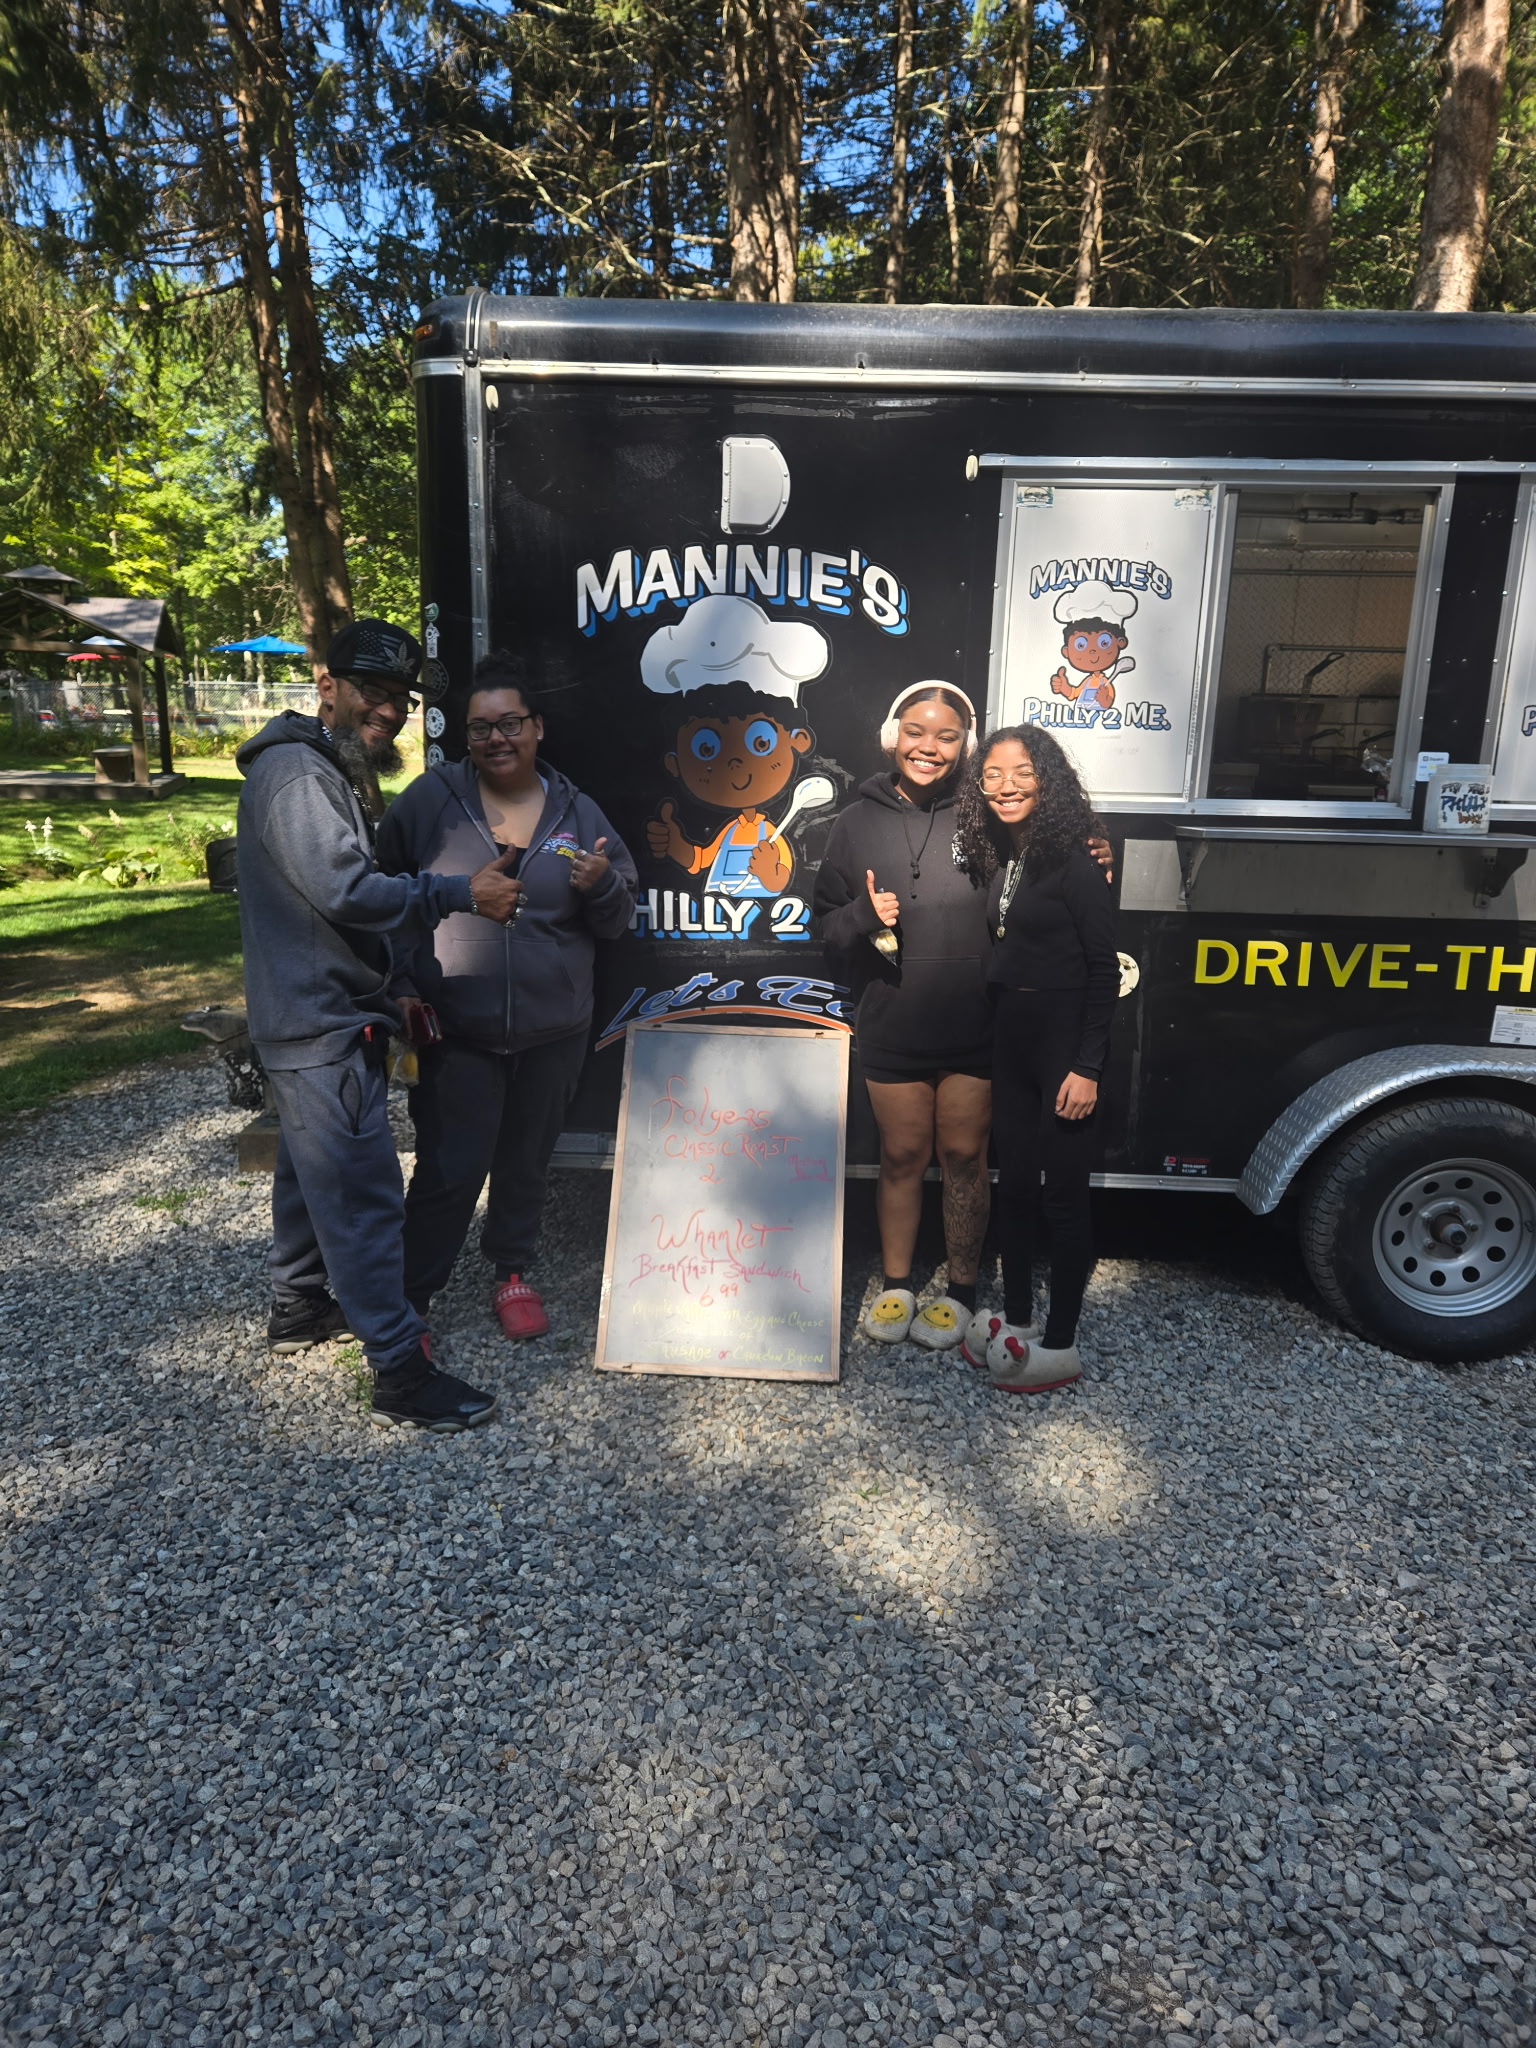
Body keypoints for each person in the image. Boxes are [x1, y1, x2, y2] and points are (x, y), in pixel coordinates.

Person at [235, 616, 523, 1432]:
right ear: (327, 686)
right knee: (361, 1194)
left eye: (400, 697)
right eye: (374, 691)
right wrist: (460, 893)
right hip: (320, 1023)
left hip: (322, 1009)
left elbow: (328, 912)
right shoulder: (298, 775)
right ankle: (400, 1369)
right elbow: (346, 892)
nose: (389, 710)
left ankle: (298, 1309)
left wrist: (387, 985)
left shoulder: (325, 767)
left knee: (305, 1167)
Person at [376, 652, 637, 1342]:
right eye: (481, 728)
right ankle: (413, 1294)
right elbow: (381, 901)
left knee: (526, 1159)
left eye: (510, 723)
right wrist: (401, 987)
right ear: (466, 735)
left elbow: (619, 921)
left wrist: (603, 886)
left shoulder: (579, 813)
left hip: (554, 1028)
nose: (497, 739)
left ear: (538, 728)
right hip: (458, 1024)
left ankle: (511, 1270)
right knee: (449, 1168)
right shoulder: (429, 803)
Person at [812, 683, 995, 1350]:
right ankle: (896, 1286)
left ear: (966, 745)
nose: (930, 747)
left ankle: (962, 1292)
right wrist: (863, 917)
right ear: (894, 736)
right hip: (892, 1021)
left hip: (977, 1025)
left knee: (965, 1155)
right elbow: (823, 925)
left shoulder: (987, 814)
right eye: (917, 731)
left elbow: (1049, 852)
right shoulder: (855, 822)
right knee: (902, 1155)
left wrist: (1096, 847)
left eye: (947, 736)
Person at [954, 725, 1119, 1394]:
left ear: (1045, 779)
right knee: (1015, 1186)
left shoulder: (1075, 861)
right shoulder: (1005, 854)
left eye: (1020, 773)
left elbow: (1106, 968)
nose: (1005, 787)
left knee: (1063, 1197)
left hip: (1062, 1045)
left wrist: (1088, 1066)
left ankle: (1062, 1343)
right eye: (991, 775)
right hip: (1014, 1040)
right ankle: (1019, 1320)